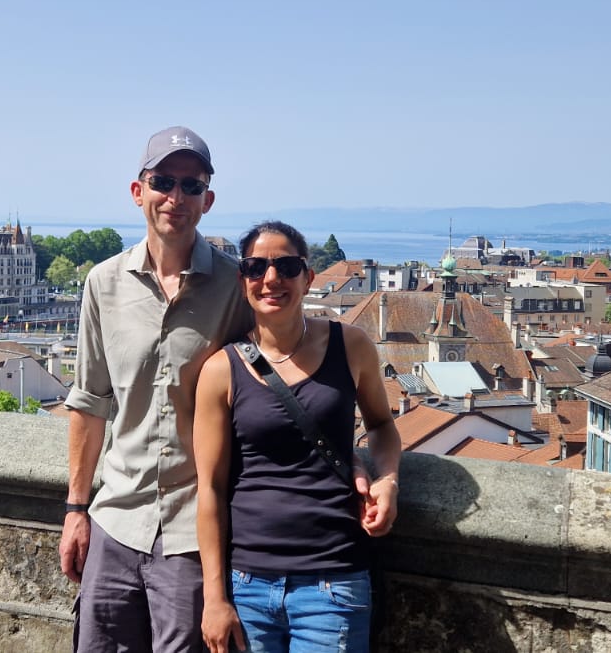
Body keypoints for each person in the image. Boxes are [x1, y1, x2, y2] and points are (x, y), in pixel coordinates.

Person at [61, 126, 253, 652]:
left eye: (191, 186)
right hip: (116, 519)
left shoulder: (237, 288)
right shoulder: (103, 283)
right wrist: (77, 510)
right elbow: (90, 400)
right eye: (163, 181)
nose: (176, 197)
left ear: (208, 200)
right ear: (137, 191)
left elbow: (277, 383)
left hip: (194, 532)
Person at [194, 220, 402, 653]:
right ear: (243, 279)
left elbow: (382, 425)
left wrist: (387, 480)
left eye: (286, 266)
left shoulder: (351, 345)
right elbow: (210, 489)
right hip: (248, 583)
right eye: (256, 267)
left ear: (308, 277)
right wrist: (214, 597)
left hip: (333, 580)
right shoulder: (221, 370)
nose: (271, 279)